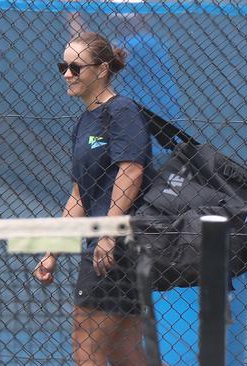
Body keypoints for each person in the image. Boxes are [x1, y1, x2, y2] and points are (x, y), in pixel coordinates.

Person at [33, 31, 152, 366]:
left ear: (101, 70)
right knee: (124, 351)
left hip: (116, 248)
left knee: (86, 348)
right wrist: (51, 252)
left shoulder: (122, 111)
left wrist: (108, 233)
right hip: (107, 246)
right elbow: (79, 195)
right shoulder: (84, 122)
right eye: (63, 66)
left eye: (76, 67)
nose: (67, 74)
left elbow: (131, 172)